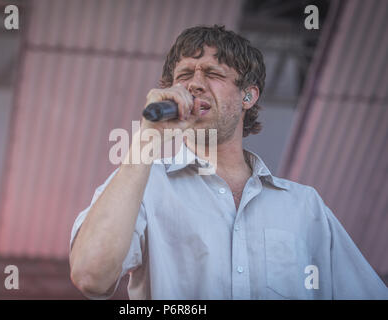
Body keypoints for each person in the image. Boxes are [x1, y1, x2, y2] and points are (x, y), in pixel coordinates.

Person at [69, 25, 387, 299]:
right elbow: (90, 278)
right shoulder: (144, 184)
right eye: (184, 76)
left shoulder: (304, 207)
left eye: (213, 74)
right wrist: (146, 141)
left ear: (248, 97)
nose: (193, 84)